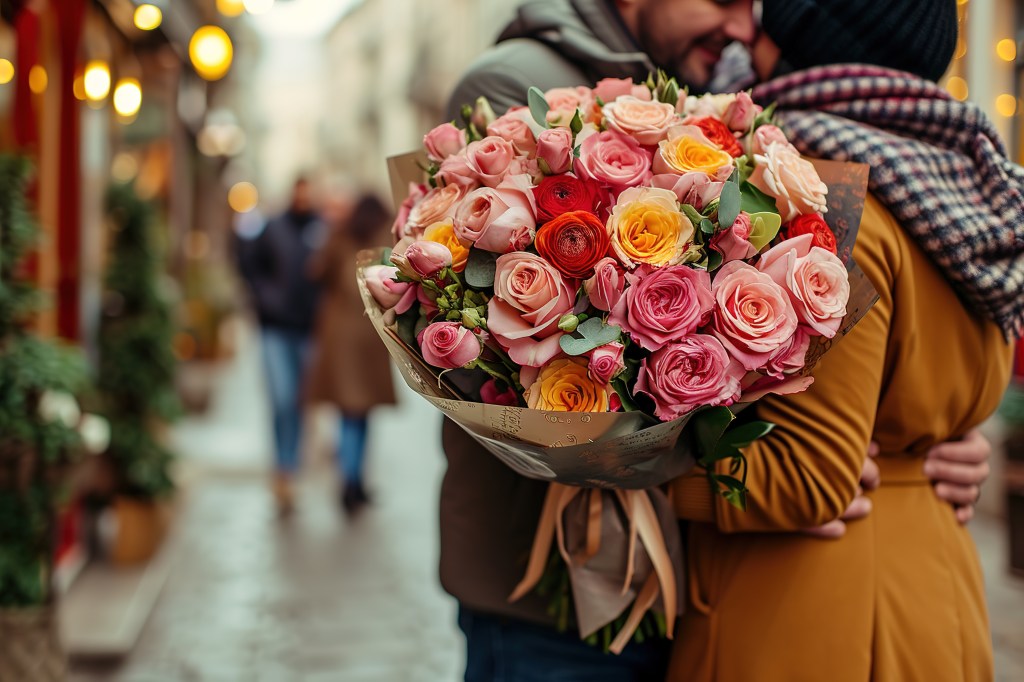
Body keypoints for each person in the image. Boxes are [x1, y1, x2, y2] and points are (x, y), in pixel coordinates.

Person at [441, 1, 996, 678]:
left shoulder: (777, 142)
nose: (743, 27)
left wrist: (931, 441)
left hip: (733, 582)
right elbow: (489, 359)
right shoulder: (519, 86)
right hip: (561, 593)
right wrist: (782, 480)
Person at [666, 0, 1023, 679]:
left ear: (806, 36)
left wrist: (639, 483)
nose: (747, 33)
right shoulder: (964, 185)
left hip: (812, 613)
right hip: (933, 590)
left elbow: (810, 477)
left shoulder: (826, 190)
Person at [304, 191, 397, 514]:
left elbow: (317, 272)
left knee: (348, 412)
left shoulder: (340, 234)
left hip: (340, 333)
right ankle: (354, 481)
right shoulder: (386, 235)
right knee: (362, 412)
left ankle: (351, 479)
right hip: (371, 332)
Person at [237, 176, 323, 516]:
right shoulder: (273, 227)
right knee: (281, 397)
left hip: (309, 329)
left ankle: (291, 467)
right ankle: (283, 466)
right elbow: (249, 264)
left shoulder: (322, 228)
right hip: (275, 328)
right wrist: (264, 298)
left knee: (300, 401)